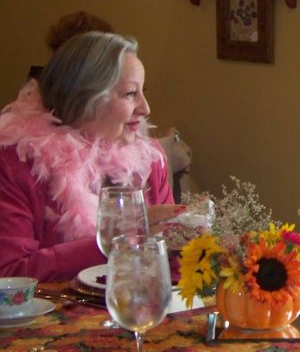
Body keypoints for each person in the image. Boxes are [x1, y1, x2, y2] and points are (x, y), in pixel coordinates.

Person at [0, 32, 180, 282]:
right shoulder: (15, 165)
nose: (145, 108)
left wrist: (199, 248)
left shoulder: (149, 161)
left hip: (139, 312)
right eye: (130, 94)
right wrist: (112, 242)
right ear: (85, 99)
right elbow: (9, 276)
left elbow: (168, 263)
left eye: (142, 92)